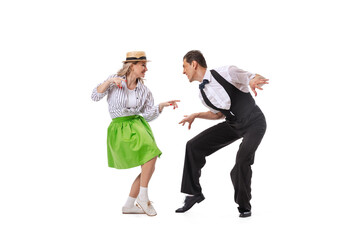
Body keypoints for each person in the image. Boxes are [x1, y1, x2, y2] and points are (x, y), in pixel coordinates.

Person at [176, 50, 268, 218]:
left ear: (194, 64)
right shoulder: (202, 94)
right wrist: (196, 115)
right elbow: (219, 115)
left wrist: (255, 81)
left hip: (254, 122)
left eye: (184, 66)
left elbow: (251, 77)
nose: (183, 71)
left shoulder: (226, 72)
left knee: (241, 161)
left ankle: (244, 206)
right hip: (233, 124)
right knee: (193, 146)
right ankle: (193, 193)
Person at [91, 51, 179, 217]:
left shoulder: (144, 90)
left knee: (151, 158)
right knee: (150, 158)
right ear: (132, 66)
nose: (146, 69)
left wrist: (160, 106)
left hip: (138, 125)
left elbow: (148, 115)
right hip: (119, 128)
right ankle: (139, 198)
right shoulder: (114, 80)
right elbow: (95, 96)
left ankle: (133, 202)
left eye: (146, 65)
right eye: (143, 65)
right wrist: (110, 81)